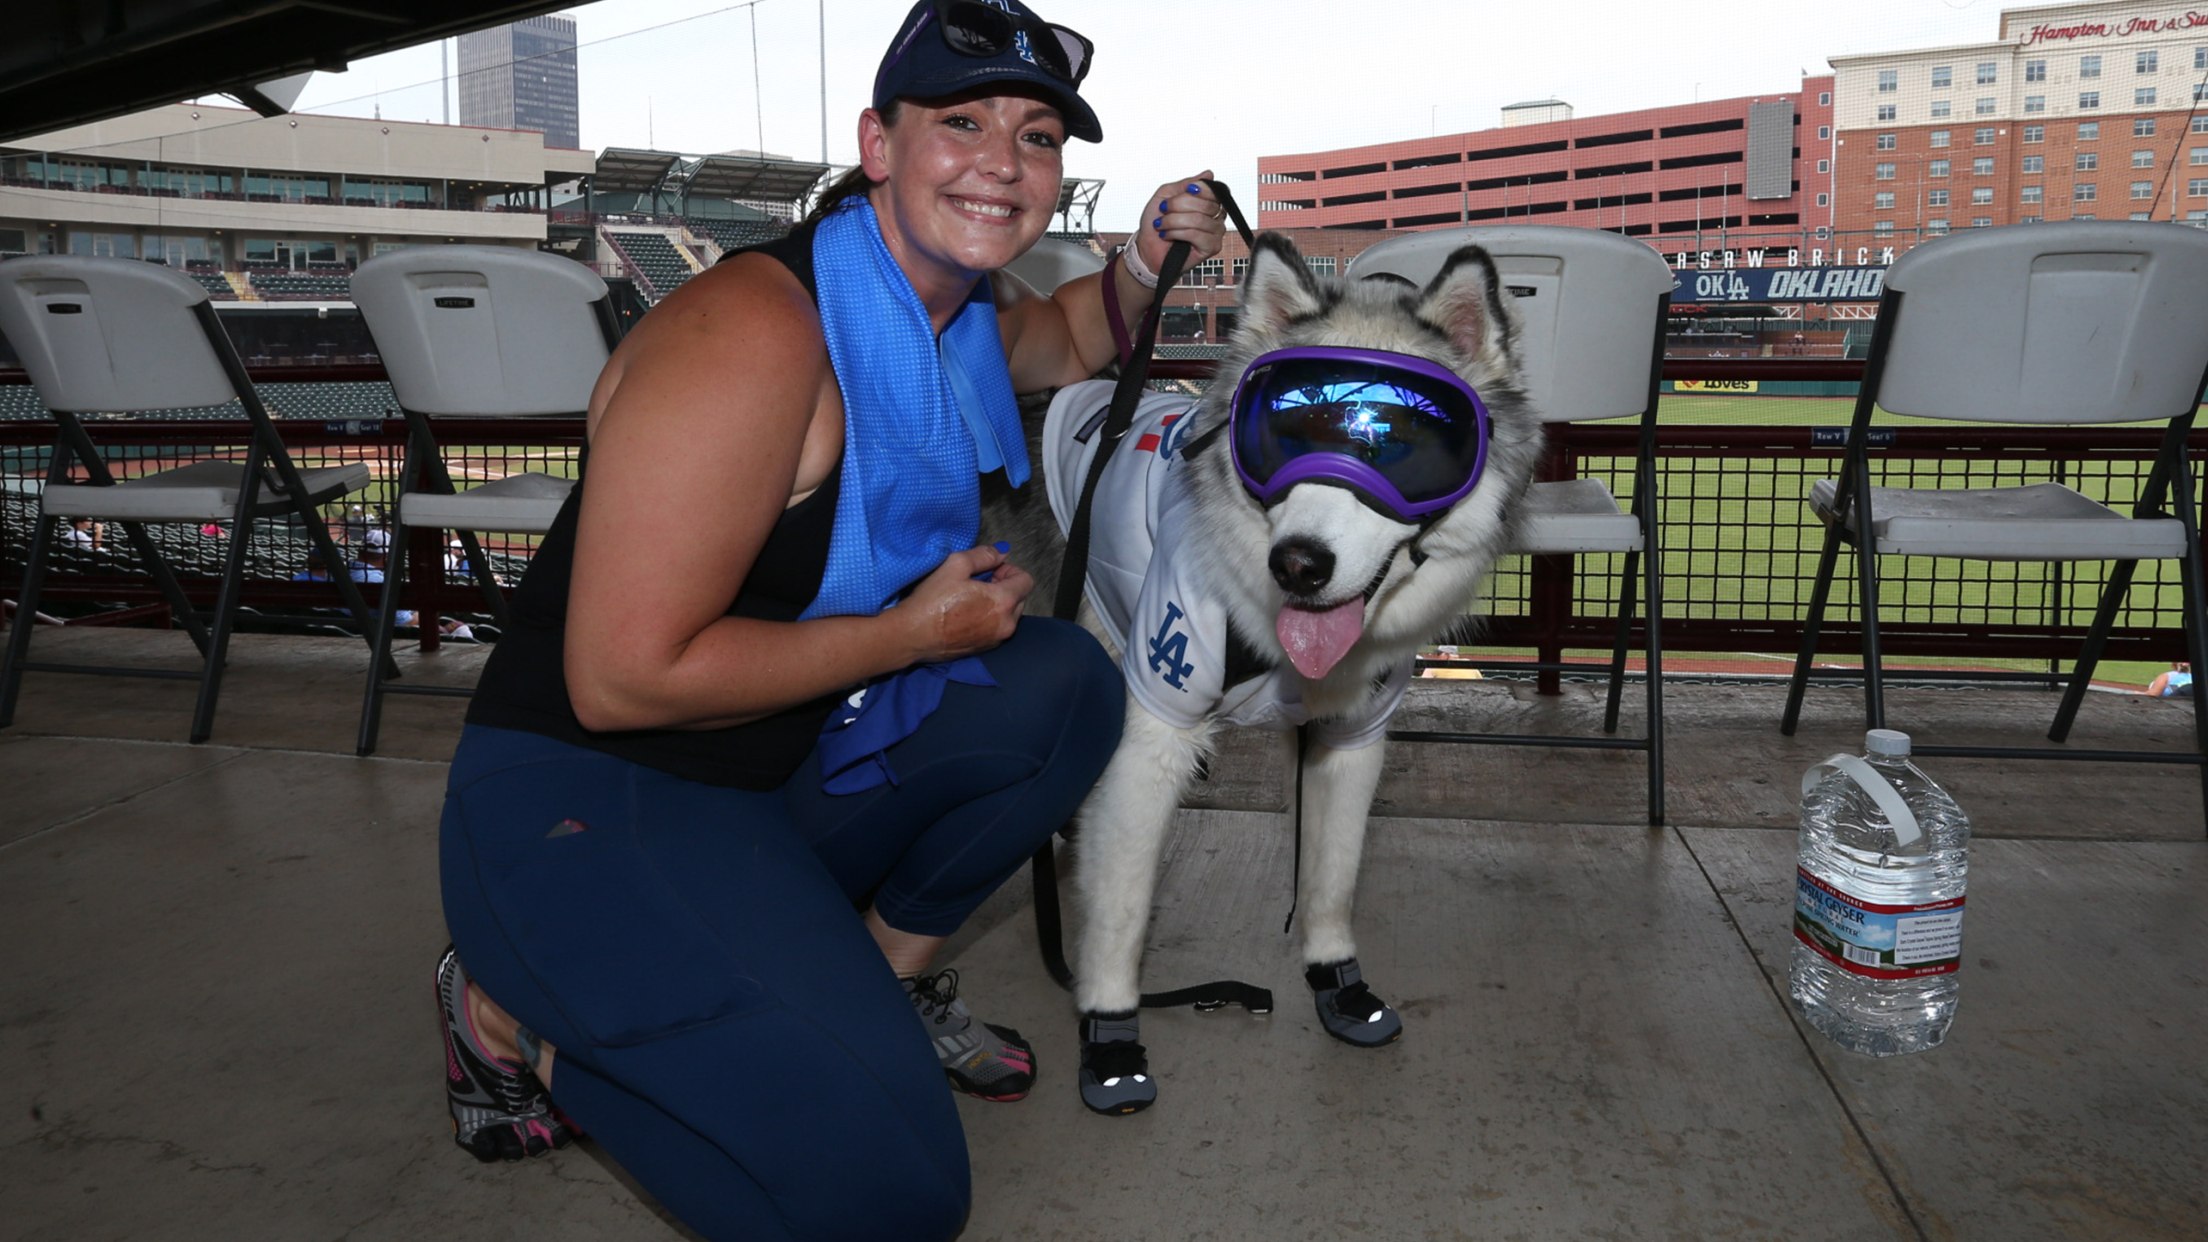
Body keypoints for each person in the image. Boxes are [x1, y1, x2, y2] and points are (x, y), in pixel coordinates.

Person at [431, 2, 1226, 1237]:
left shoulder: (949, 318)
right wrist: (912, 636)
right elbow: (622, 681)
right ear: (878, 143)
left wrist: (1142, 257)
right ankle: (510, 1020)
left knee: (1064, 682)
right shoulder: (754, 330)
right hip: (588, 791)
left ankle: (865, 983)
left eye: (1037, 135)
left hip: (772, 767)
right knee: (888, 1197)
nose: (1003, 161)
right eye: (960, 123)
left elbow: (1072, 336)